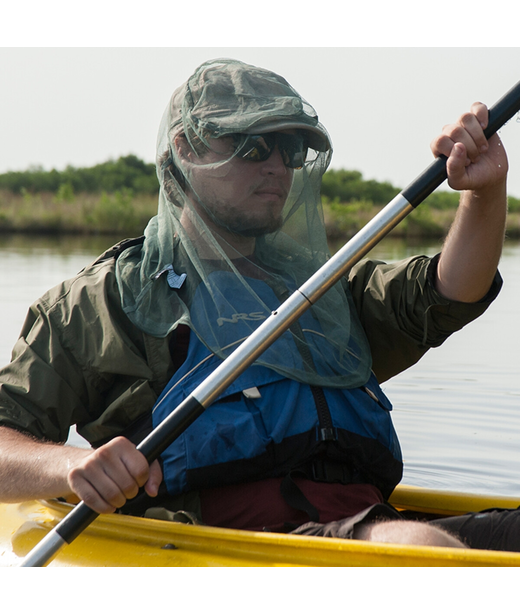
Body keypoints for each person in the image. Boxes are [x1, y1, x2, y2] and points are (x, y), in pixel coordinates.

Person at [0, 58, 514, 551]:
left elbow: (450, 292)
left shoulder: (323, 287)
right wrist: (68, 466)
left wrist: (484, 192)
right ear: (185, 148)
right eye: (252, 146)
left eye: (289, 151)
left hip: (361, 520)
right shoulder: (97, 304)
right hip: (226, 535)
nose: (275, 167)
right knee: (419, 546)